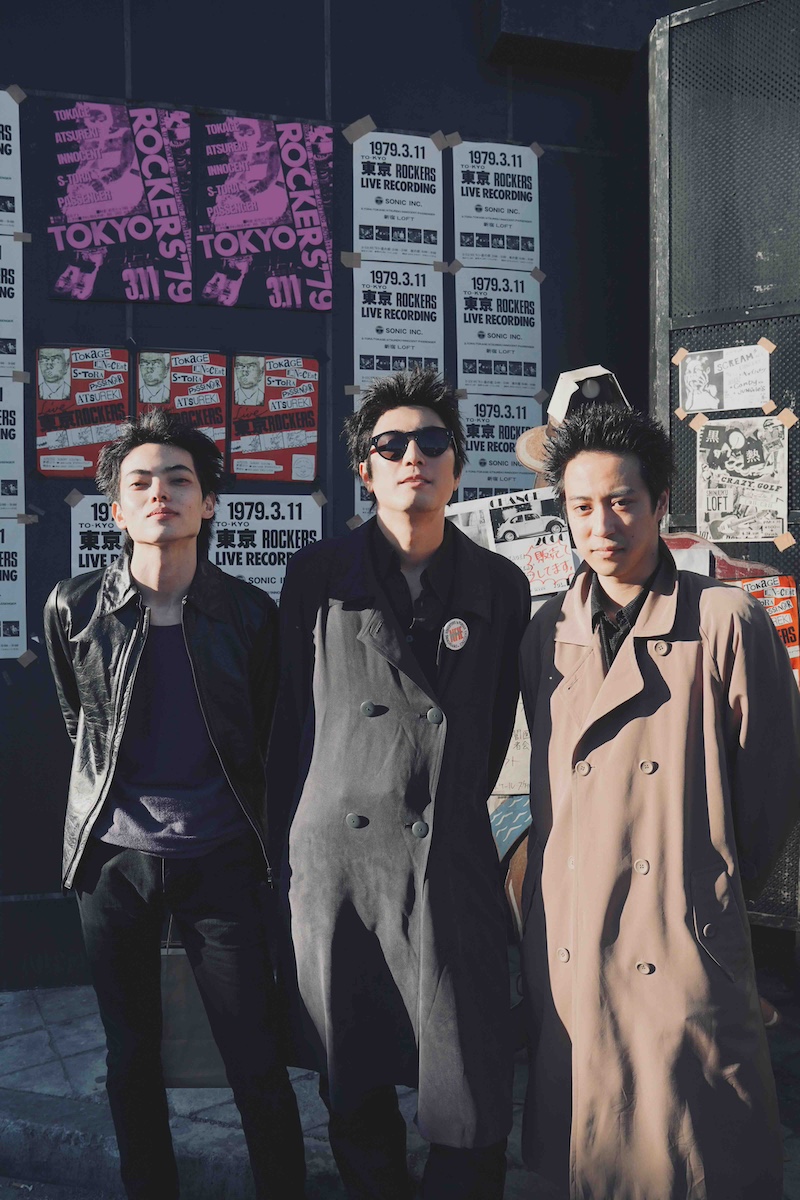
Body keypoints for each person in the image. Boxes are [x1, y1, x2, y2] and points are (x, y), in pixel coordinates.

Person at [518, 403, 800, 1200]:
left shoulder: (725, 619)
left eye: (622, 501)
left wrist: (697, 897)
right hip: (573, 944)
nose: (601, 525)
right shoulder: (547, 631)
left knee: (690, 1155)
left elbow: (770, 797)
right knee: (594, 1153)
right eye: (581, 506)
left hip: (678, 942)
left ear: (660, 502)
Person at [268, 369, 530, 1200]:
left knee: (471, 1077)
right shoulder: (317, 575)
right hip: (339, 865)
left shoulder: (500, 584)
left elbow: (492, 723)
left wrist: (450, 803)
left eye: (432, 441)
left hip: (450, 854)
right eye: (391, 445)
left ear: (457, 465)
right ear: (366, 469)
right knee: (352, 1075)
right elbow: (291, 720)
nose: (412, 456)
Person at [44, 411, 305, 1200]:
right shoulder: (73, 608)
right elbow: (80, 723)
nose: (162, 492)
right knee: (131, 1058)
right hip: (114, 863)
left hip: (221, 857)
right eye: (142, 482)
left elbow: (266, 737)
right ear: (117, 510)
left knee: (255, 1058)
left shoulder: (252, 616)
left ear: (209, 502)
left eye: (180, 479)